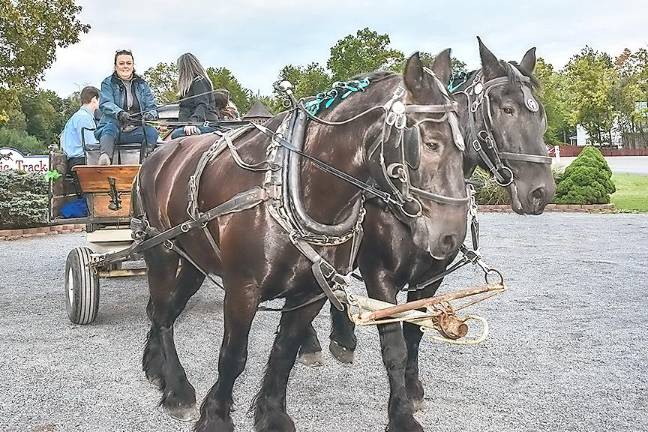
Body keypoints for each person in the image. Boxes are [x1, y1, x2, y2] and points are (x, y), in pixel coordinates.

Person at [95, 49, 159, 165]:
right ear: (115, 66)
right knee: (110, 127)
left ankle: (145, 163)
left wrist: (151, 114)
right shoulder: (107, 83)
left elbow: (152, 107)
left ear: (133, 66)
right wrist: (119, 113)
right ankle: (105, 158)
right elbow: (105, 104)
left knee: (151, 132)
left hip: (135, 129)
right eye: (121, 63)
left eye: (128, 63)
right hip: (113, 130)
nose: (125, 66)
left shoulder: (142, 84)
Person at [170, 53, 230, 139]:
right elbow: (185, 110)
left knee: (177, 134)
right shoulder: (187, 89)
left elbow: (202, 105)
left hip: (206, 124)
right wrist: (181, 125)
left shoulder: (200, 81)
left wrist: (192, 124)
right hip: (194, 124)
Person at [60, 86, 100, 172]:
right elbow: (91, 146)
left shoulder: (78, 116)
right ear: (94, 100)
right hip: (81, 161)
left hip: (74, 161)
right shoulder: (84, 118)